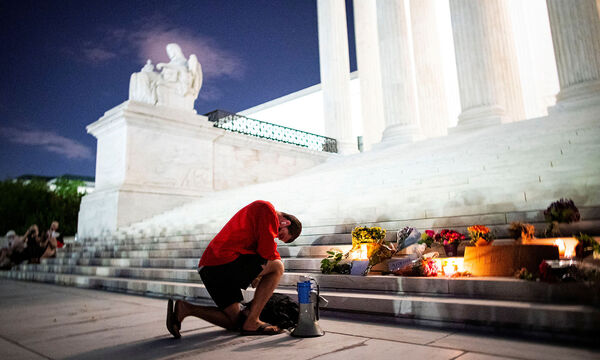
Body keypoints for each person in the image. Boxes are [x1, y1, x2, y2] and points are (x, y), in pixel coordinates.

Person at [166, 200, 302, 338]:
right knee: (278, 267)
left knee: (235, 321)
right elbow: (267, 251)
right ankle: (253, 321)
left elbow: (261, 250)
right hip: (222, 261)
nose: (276, 236)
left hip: (210, 267)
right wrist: (261, 273)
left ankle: (186, 309)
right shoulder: (266, 208)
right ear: (286, 223)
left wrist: (258, 274)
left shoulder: (259, 219)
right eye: (281, 234)